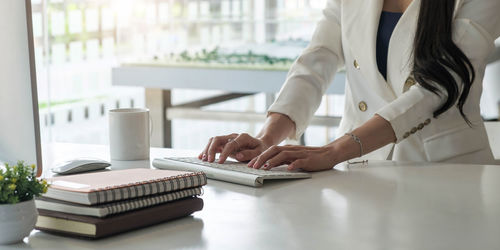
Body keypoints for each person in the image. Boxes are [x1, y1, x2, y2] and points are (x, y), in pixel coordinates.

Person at [199, 0, 500, 171]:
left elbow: (437, 87)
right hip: (362, 171)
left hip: (449, 174)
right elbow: (317, 60)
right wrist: (267, 139)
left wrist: (333, 150)